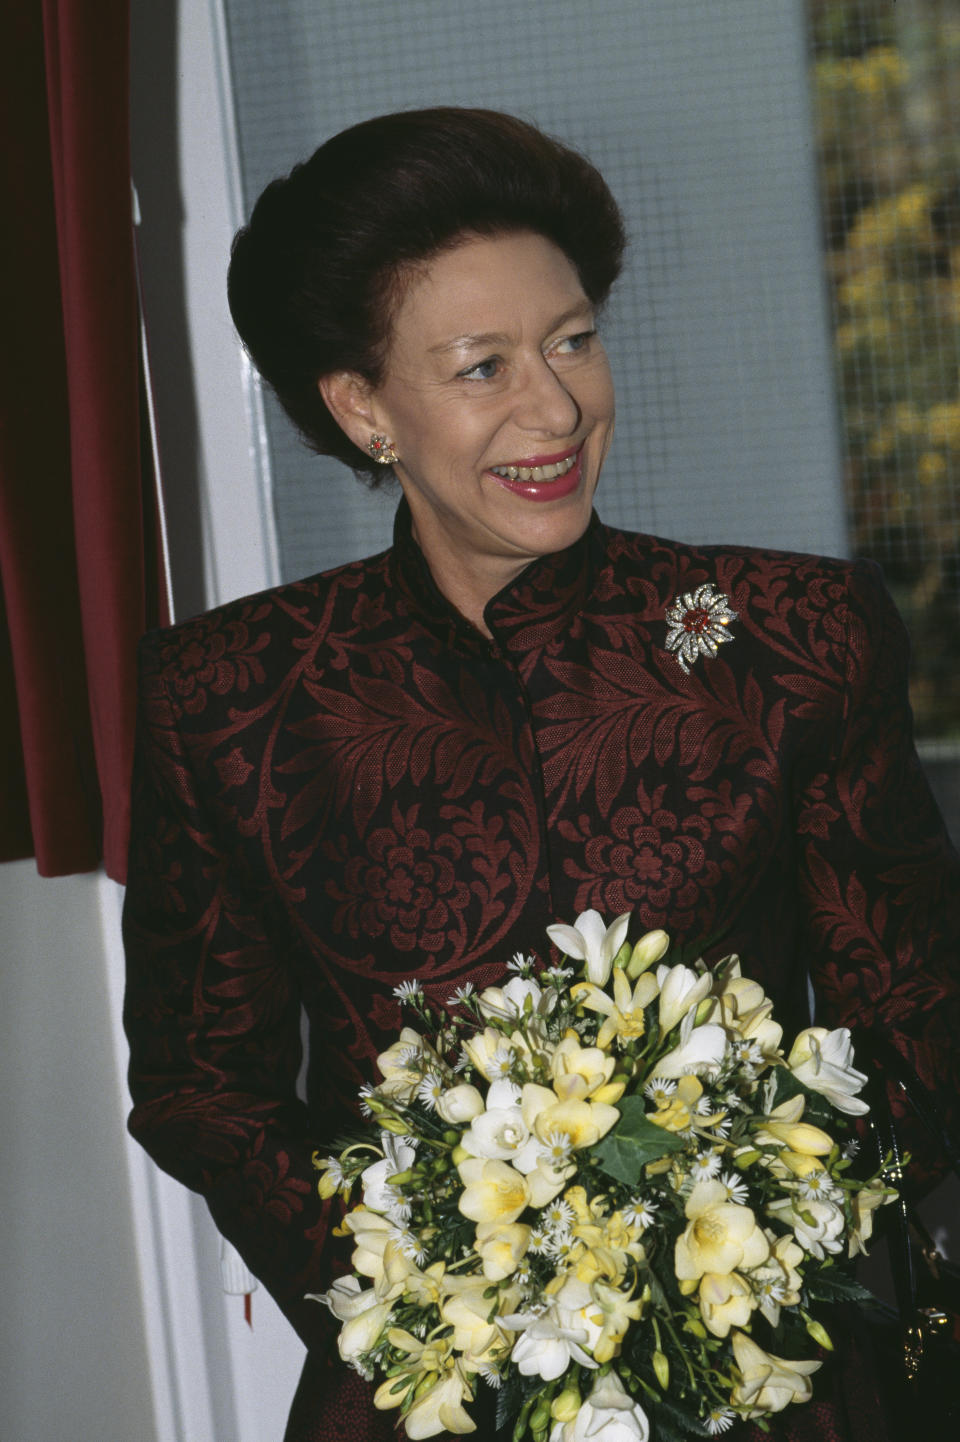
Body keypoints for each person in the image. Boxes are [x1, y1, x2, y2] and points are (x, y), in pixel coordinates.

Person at [123, 108, 960, 1442]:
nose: (558, 405)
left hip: (773, 1387)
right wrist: (441, 1271)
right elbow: (194, 1078)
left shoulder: (795, 641)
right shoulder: (231, 699)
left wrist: (737, 1254)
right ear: (361, 405)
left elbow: (918, 1029)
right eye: (483, 365)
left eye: (573, 338)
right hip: (430, 1396)